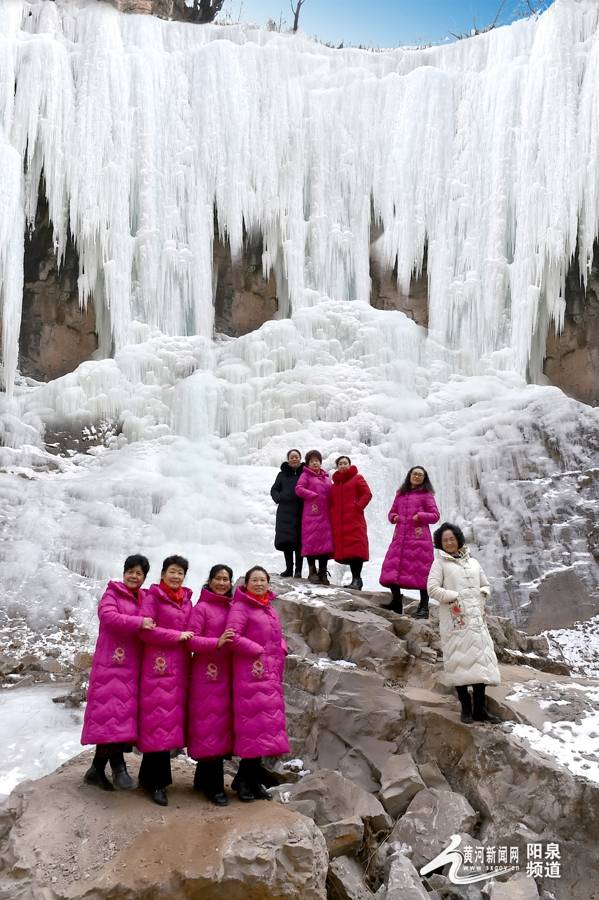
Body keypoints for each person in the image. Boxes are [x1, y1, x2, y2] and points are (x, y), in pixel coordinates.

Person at [81, 554, 153, 791]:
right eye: (130, 571)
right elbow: (108, 617)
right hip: (111, 664)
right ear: (124, 573)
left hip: (132, 666)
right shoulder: (111, 594)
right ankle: (118, 768)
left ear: (144, 577)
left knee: (119, 717)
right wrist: (139, 622)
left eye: (139, 573)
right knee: (110, 717)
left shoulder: (143, 597)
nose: (134, 576)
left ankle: (96, 770)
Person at [427, 523, 502, 724]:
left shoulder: (474, 563)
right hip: (455, 620)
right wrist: (454, 597)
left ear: (458, 539)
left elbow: (485, 584)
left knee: (480, 664)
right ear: (440, 544)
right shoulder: (439, 564)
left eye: (452, 539)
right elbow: (432, 589)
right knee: (458, 663)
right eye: (445, 540)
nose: (449, 543)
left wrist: (483, 594)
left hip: (476, 620)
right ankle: (466, 709)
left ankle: (480, 710)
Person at [226, 566, 289, 802]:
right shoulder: (241, 607)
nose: (260, 584)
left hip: (269, 675)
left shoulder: (268, 607)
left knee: (264, 730)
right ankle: (244, 780)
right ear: (246, 583)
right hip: (250, 675)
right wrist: (256, 650)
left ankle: (250, 779)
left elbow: (274, 635)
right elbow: (232, 636)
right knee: (252, 729)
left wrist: (281, 646)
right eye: (255, 580)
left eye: (263, 580)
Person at [137, 555, 194, 806]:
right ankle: (156, 783)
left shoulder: (187, 601)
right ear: (162, 574)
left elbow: (194, 631)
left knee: (168, 721)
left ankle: (148, 777)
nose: (176, 576)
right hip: (157, 666)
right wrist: (177, 635)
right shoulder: (153, 598)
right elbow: (145, 631)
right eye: (172, 571)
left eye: (180, 573)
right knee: (158, 721)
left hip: (180, 667)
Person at [187, 564, 235, 806]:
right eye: (218, 578)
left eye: (226, 579)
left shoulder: (234, 608)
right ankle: (214, 786)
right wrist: (216, 642)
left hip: (227, 674)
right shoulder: (202, 608)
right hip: (206, 674)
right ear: (210, 580)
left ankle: (202, 778)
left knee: (219, 726)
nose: (222, 583)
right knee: (209, 726)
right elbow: (192, 641)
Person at [379, 465, 440, 617]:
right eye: (415, 474)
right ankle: (396, 603)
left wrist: (420, 516)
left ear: (424, 479)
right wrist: (394, 517)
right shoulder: (400, 494)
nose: (417, 476)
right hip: (400, 538)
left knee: (422, 571)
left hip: (419, 540)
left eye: (420, 475)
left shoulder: (426, 495)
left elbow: (435, 515)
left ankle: (424, 607)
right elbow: (392, 512)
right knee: (391, 569)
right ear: (409, 475)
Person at [330, 455, 372, 590]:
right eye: (340, 464)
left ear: (349, 465)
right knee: (349, 551)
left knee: (356, 550)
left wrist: (358, 507)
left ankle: (357, 579)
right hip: (340, 523)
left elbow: (367, 494)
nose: (343, 465)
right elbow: (331, 502)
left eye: (345, 463)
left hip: (354, 520)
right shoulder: (335, 485)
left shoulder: (357, 478)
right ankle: (355, 580)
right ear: (337, 467)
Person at [295, 450, 333, 585]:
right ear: (308, 464)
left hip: (326, 515)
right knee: (311, 542)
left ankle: (323, 571)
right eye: (312, 461)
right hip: (311, 514)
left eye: (317, 460)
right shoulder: (305, 475)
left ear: (320, 462)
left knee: (325, 544)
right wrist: (313, 495)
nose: (315, 463)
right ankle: (312, 571)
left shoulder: (326, 477)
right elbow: (298, 489)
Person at [270, 449, 305, 578]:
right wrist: (279, 497)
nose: (294, 459)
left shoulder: (305, 473)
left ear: (300, 459)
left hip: (301, 510)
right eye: (292, 457)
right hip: (285, 512)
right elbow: (274, 489)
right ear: (288, 459)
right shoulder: (282, 475)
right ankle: (289, 569)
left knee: (299, 541)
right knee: (287, 541)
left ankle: (298, 570)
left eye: (296, 457)